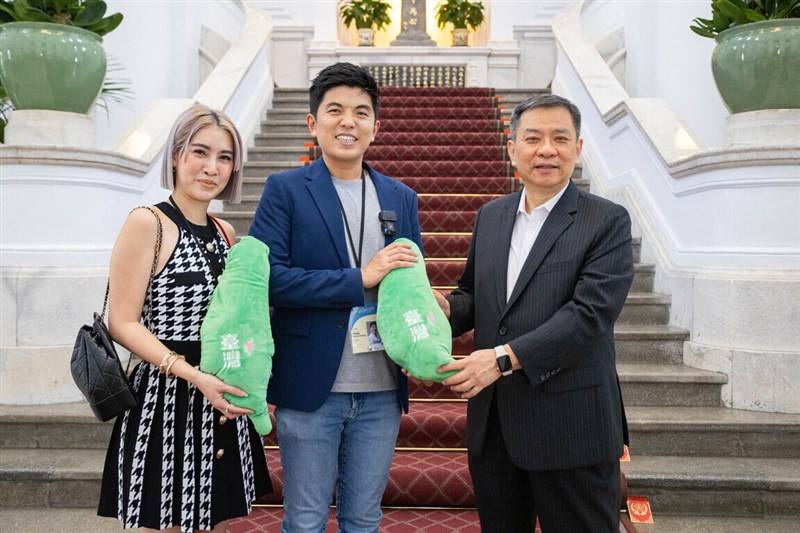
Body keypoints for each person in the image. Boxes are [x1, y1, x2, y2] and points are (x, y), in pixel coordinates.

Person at [436, 94, 634, 532]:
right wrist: (444, 309)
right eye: (533, 138)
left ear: (578, 148)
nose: (547, 149)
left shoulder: (606, 221)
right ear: (513, 148)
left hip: (572, 426)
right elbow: (475, 294)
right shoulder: (491, 216)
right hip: (495, 428)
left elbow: (589, 315)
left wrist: (503, 357)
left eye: (560, 138)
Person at [249, 62, 422, 533]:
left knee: (364, 518)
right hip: (310, 385)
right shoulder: (284, 190)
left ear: (375, 127)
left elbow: (412, 285)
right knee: (304, 518)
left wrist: (426, 335)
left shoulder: (400, 196)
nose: (349, 121)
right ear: (313, 123)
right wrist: (358, 279)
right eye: (336, 110)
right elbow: (271, 280)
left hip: (381, 387)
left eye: (361, 112)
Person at [98, 104, 271, 532]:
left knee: (210, 520)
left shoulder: (224, 232)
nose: (212, 167)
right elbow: (121, 322)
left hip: (220, 395)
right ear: (175, 155)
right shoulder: (148, 223)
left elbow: (236, 319)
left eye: (225, 157)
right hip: (166, 394)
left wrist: (248, 379)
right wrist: (192, 375)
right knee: (169, 522)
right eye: (200, 152)